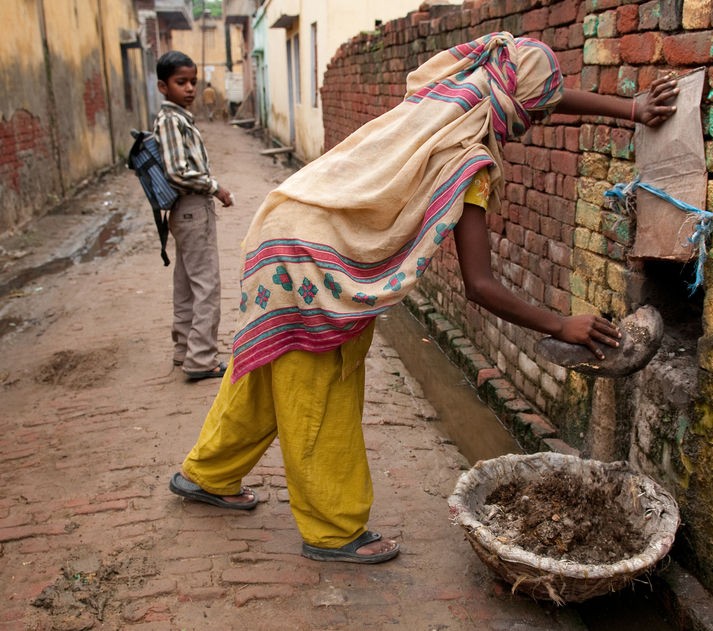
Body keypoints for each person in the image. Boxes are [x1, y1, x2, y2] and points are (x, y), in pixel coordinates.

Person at [168, 33, 678, 563]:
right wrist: (559, 324)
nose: (538, 124)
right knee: (321, 387)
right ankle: (333, 530)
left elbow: (538, 91)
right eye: (537, 116)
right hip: (314, 263)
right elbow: (479, 285)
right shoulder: (466, 156)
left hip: (283, 228)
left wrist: (633, 109)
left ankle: (208, 474)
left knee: (270, 363)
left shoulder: (449, 95)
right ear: (514, 109)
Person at [154, 51, 234, 380]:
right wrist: (215, 187)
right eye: (180, 82)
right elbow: (177, 172)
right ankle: (201, 358)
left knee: (187, 283)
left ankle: (183, 348)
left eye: (193, 82)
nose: (189, 88)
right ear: (163, 86)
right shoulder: (172, 120)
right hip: (191, 208)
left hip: (183, 211)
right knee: (207, 285)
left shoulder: (178, 117)